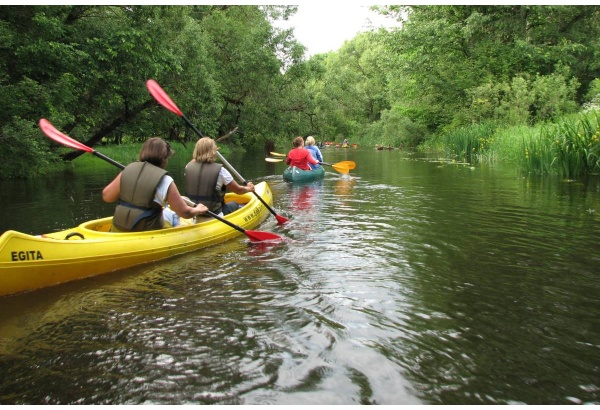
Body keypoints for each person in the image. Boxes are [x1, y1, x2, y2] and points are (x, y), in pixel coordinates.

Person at [102, 137, 208, 232]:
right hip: (147, 231)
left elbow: (107, 197)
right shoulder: (165, 180)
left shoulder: (127, 171)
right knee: (175, 215)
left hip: (118, 228)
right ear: (163, 159)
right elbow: (185, 213)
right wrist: (197, 209)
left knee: (167, 211)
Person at [185, 137, 255, 217]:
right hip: (214, 215)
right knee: (234, 204)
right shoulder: (221, 171)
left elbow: (195, 160)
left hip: (193, 213)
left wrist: (201, 152)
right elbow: (238, 190)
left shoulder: (188, 167)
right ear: (213, 152)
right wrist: (249, 188)